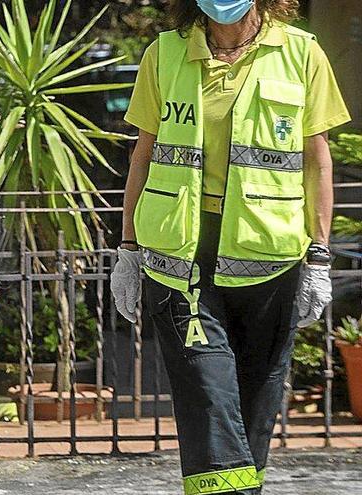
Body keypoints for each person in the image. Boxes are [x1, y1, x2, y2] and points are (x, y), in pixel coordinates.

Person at [111, 0, 350, 493]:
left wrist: (320, 255)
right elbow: (144, 152)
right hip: (181, 249)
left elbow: (317, 162)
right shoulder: (165, 54)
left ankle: (244, 488)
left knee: (257, 393)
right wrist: (129, 249)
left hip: (269, 251)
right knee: (207, 390)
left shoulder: (302, 54)